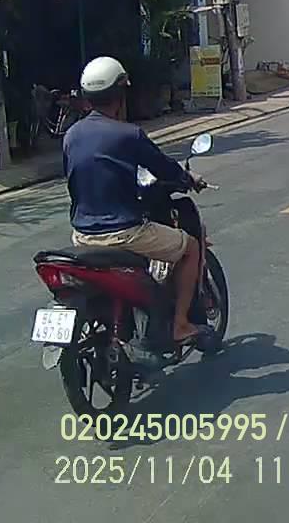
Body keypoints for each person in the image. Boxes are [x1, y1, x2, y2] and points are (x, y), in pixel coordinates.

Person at [62, 56, 217, 363]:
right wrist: (188, 179)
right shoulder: (128, 134)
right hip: (124, 233)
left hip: (82, 236)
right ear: (120, 95)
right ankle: (180, 325)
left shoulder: (71, 136)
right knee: (190, 247)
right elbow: (163, 167)